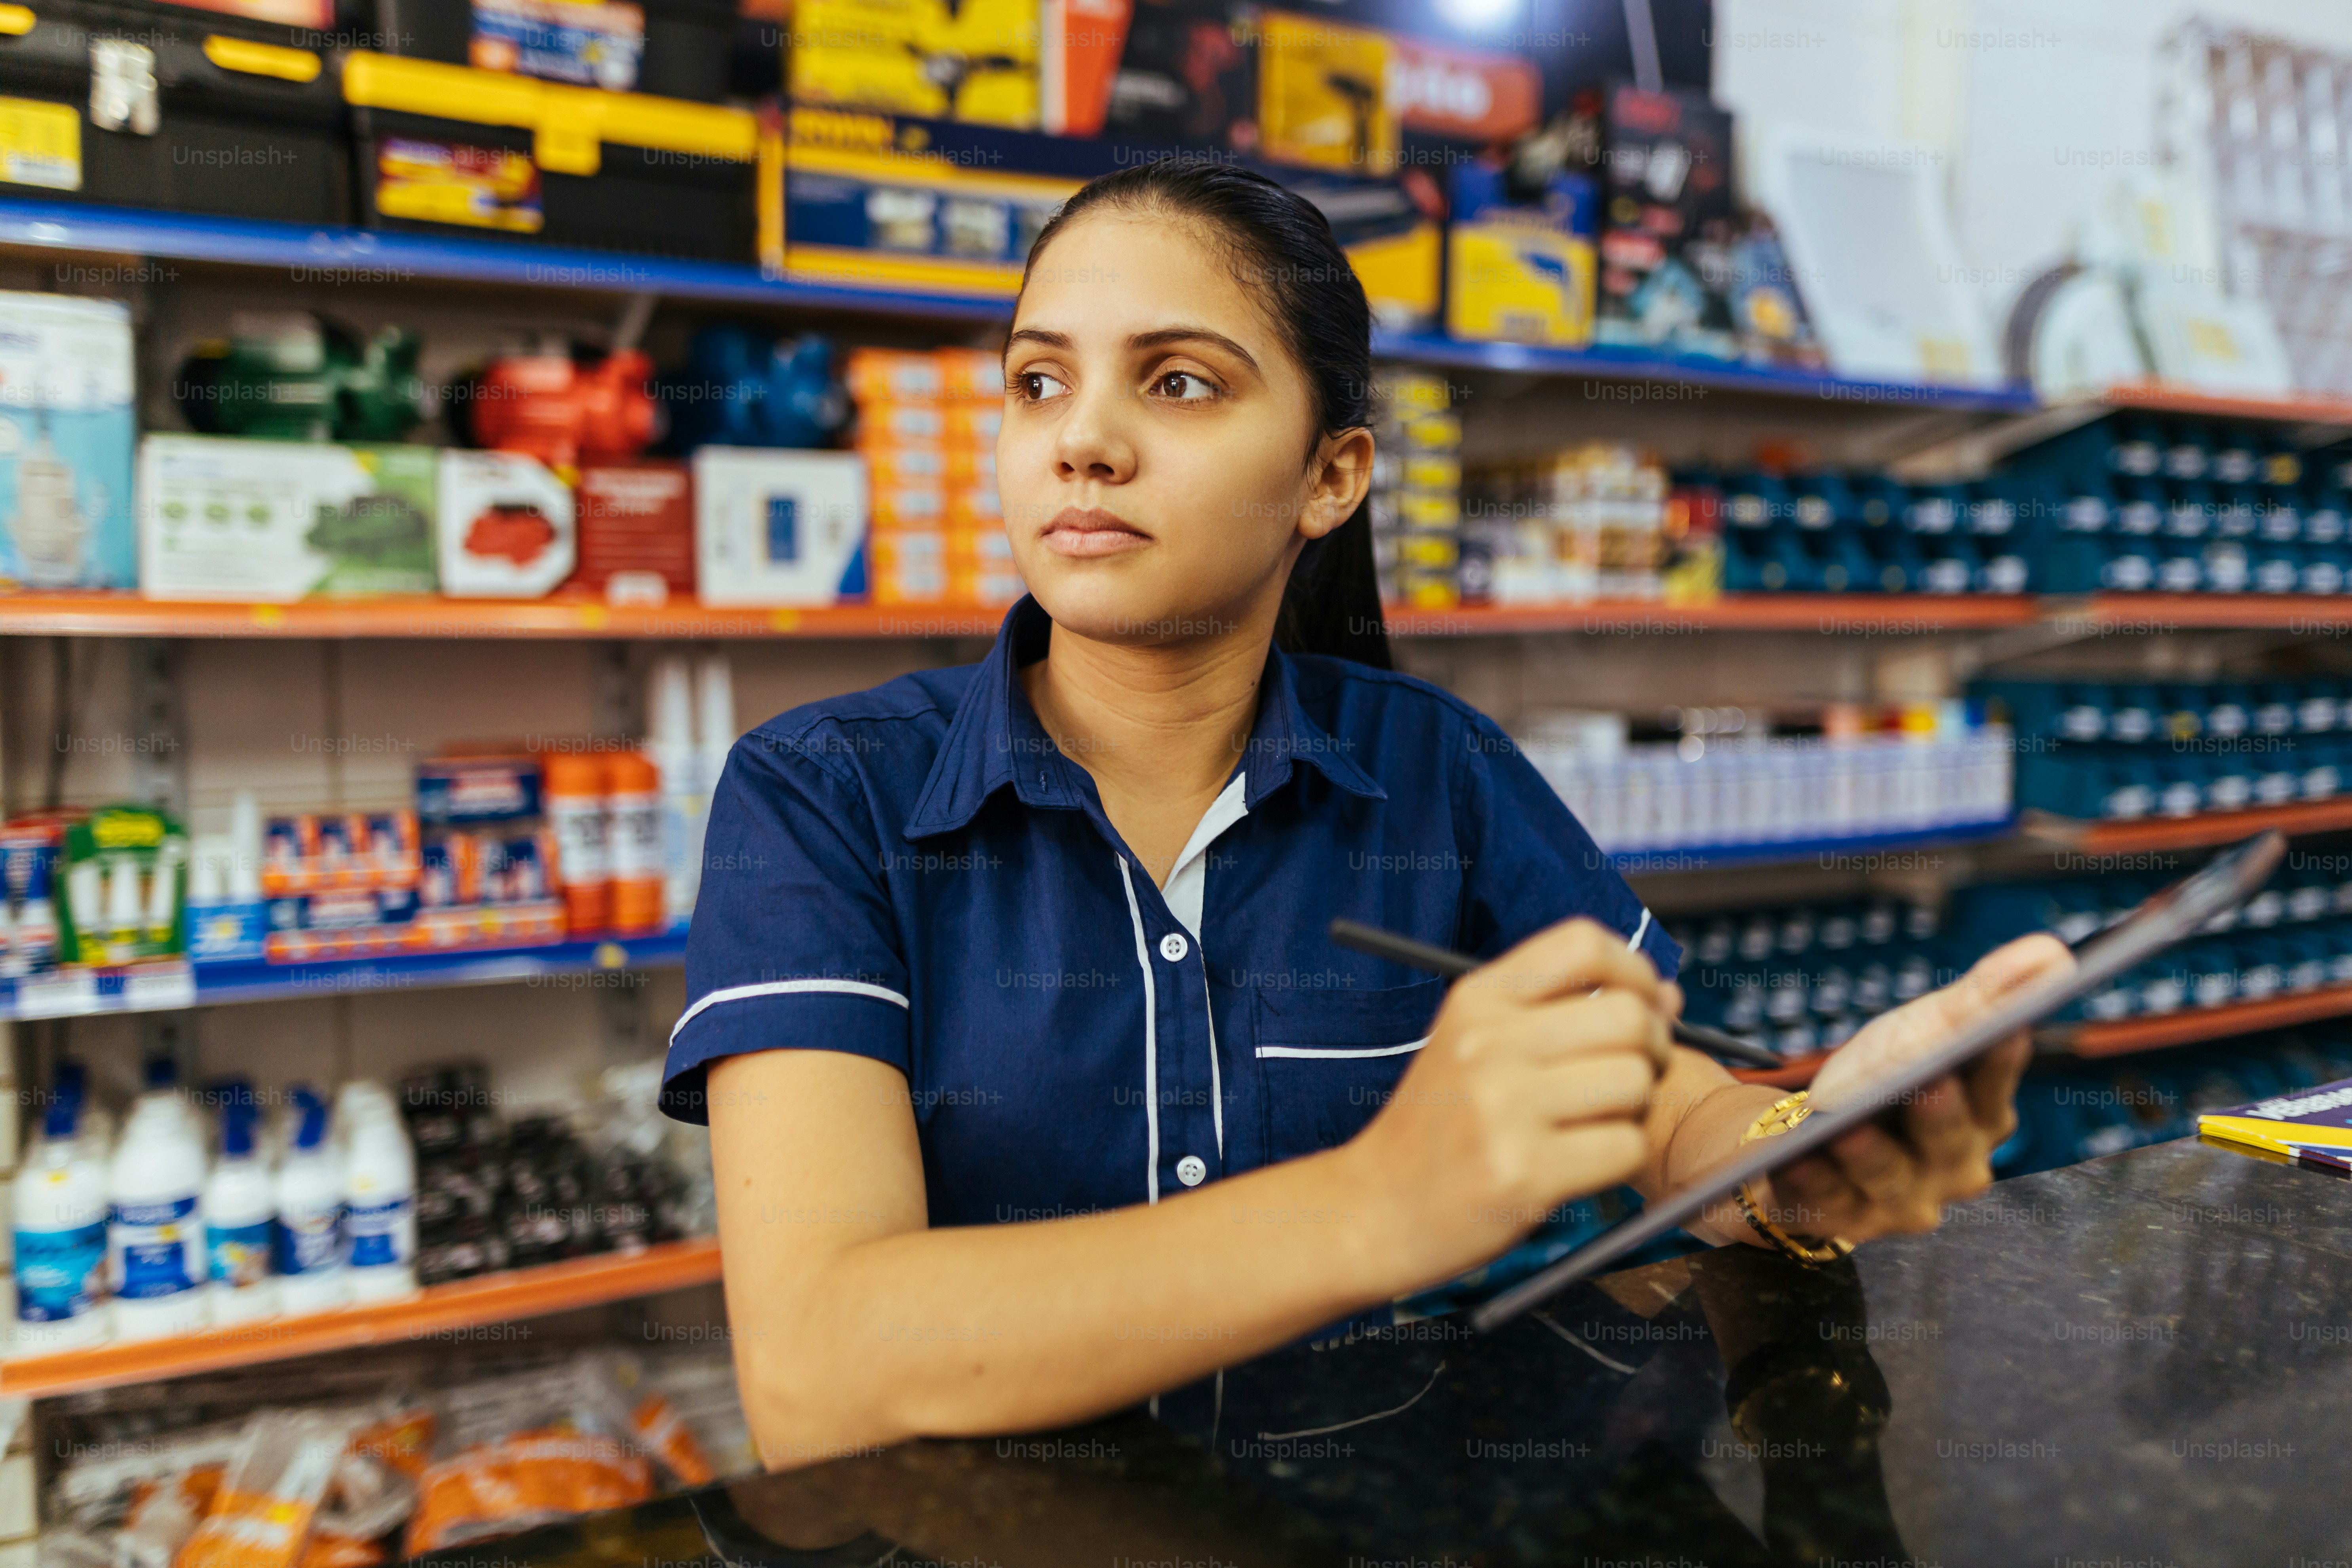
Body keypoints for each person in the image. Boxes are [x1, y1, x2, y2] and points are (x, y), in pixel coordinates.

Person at [661, 161, 2071, 1467]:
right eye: (1039, 382)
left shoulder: (1439, 774)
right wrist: (1379, 1204)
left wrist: (1797, 1157)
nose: (1081, 442)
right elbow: (820, 1367)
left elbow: (1661, 1104)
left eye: (1178, 383)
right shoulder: (823, 794)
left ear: (1332, 476)